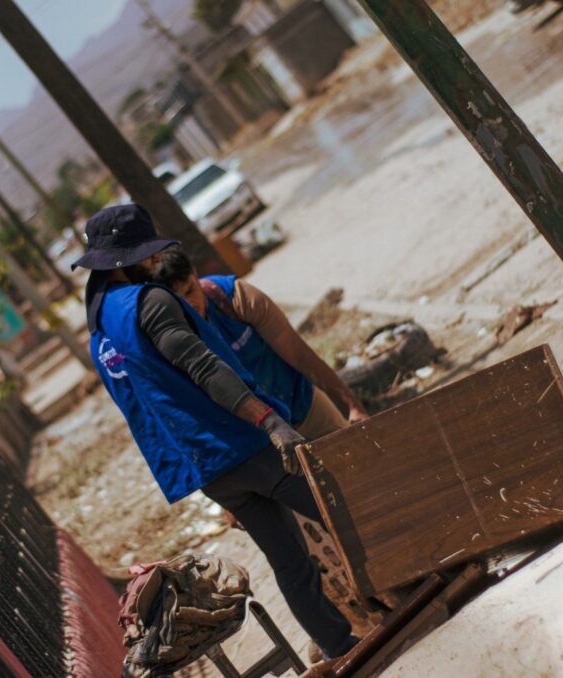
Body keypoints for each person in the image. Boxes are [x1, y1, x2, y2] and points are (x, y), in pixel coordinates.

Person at [73, 204, 358, 660]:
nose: (152, 263)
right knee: (351, 506)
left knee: (289, 560)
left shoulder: (100, 333)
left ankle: (339, 645)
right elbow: (203, 366)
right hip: (243, 443)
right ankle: (426, 572)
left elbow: (147, 406)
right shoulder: (150, 302)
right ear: (128, 259)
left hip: (208, 470)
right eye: (146, 256)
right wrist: (268, 420)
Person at [151, 245, 369, 442]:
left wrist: (352, 404)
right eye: (179, 300)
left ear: (195, 273)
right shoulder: (174, 340)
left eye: (190, 290)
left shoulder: (235, 298)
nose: (190, 304)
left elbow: (299, 354)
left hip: (303, 404)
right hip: (261, 439)